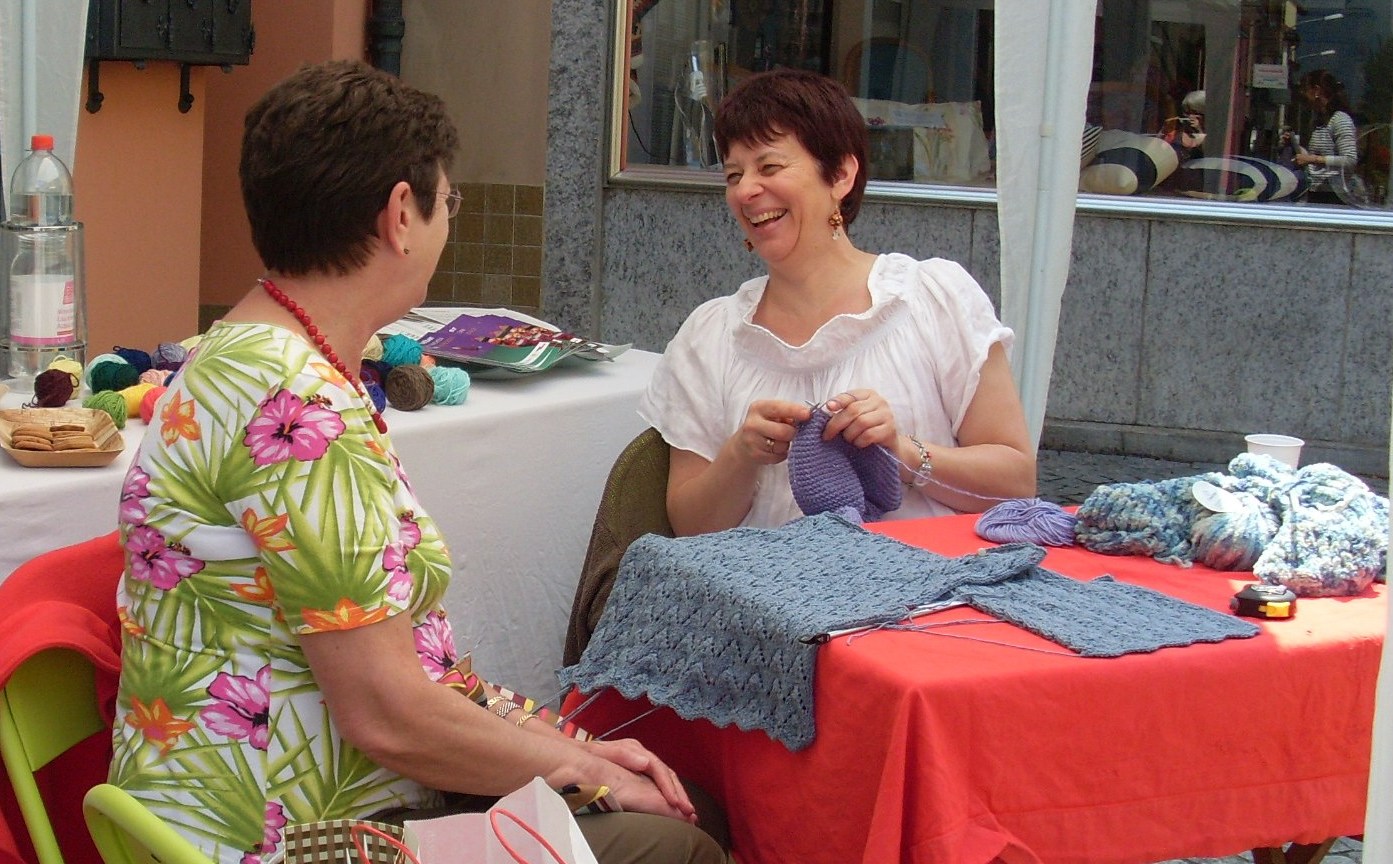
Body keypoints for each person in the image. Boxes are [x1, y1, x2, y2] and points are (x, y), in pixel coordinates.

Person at [107, 60, 728, 864]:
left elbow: (403, 685)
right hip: (278, 837)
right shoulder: (296, 407)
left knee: (679, 805)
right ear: (402, 214)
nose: (447, 222)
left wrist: (571, 748)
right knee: (679, 843)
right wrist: (582, 767)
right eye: (448, 202)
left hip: (234, 800)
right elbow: (388, 716)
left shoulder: (242, 354)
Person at [639, 68, 1036, 535]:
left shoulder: (932, 298)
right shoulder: (710, 336)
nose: (745, 191)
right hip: (767, 581)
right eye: (733, 174)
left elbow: (1016, 483)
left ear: (841, 175)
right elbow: (689, 527)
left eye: (769, 167)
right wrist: (740, 456)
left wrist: (902, 452)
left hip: (926, 579)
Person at [1293, 69, 1358, 204]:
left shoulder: (1340, 120)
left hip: (1334, 195)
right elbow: (1315, 158)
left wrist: (1313, 159)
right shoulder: (1319, 122)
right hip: (1317, 191)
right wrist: (1296, 147)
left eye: (1306, 91)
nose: (1304, 97)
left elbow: (1350, 160)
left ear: (1317, 91)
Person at [1160, 90, 1206, 161]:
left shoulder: (1215, 135)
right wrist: (1166, 128)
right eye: (1187, 113)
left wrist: (1199, 129)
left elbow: (1209, 153)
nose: (1190, 117)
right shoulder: (1177, 133)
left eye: (1196, 113)